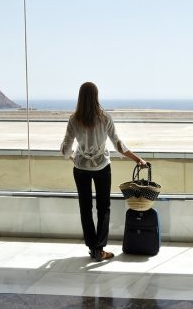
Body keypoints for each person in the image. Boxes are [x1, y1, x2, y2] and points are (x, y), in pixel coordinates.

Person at [60, 82, 146, 261]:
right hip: (102, 167)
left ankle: (92, 248)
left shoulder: (74, 119)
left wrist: (72, 157)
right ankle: (100, 249)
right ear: (96, 96)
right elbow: (118, 145)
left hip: (81, 167)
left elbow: (66, 149)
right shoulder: (105, 117)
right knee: (103, 207)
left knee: (85, 208)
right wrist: (137, 159)